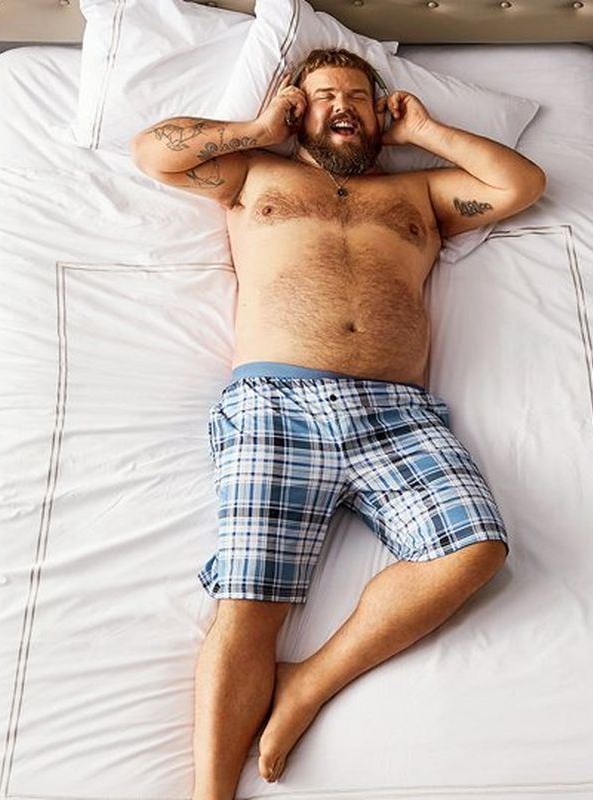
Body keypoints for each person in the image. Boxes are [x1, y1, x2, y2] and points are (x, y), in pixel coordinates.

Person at [131, 48, 545, 800]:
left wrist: (425, 130)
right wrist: (259, 128)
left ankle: (309, 682)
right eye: (323, 96)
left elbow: (520, 184)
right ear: (298, 109)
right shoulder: (256, 176)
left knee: (475, 550)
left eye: (357, 95)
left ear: (382, 114)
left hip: (398, 413)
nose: (342, 106)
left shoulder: (420, 192)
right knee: (250, 599)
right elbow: (155, 152)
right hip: (276, 402)